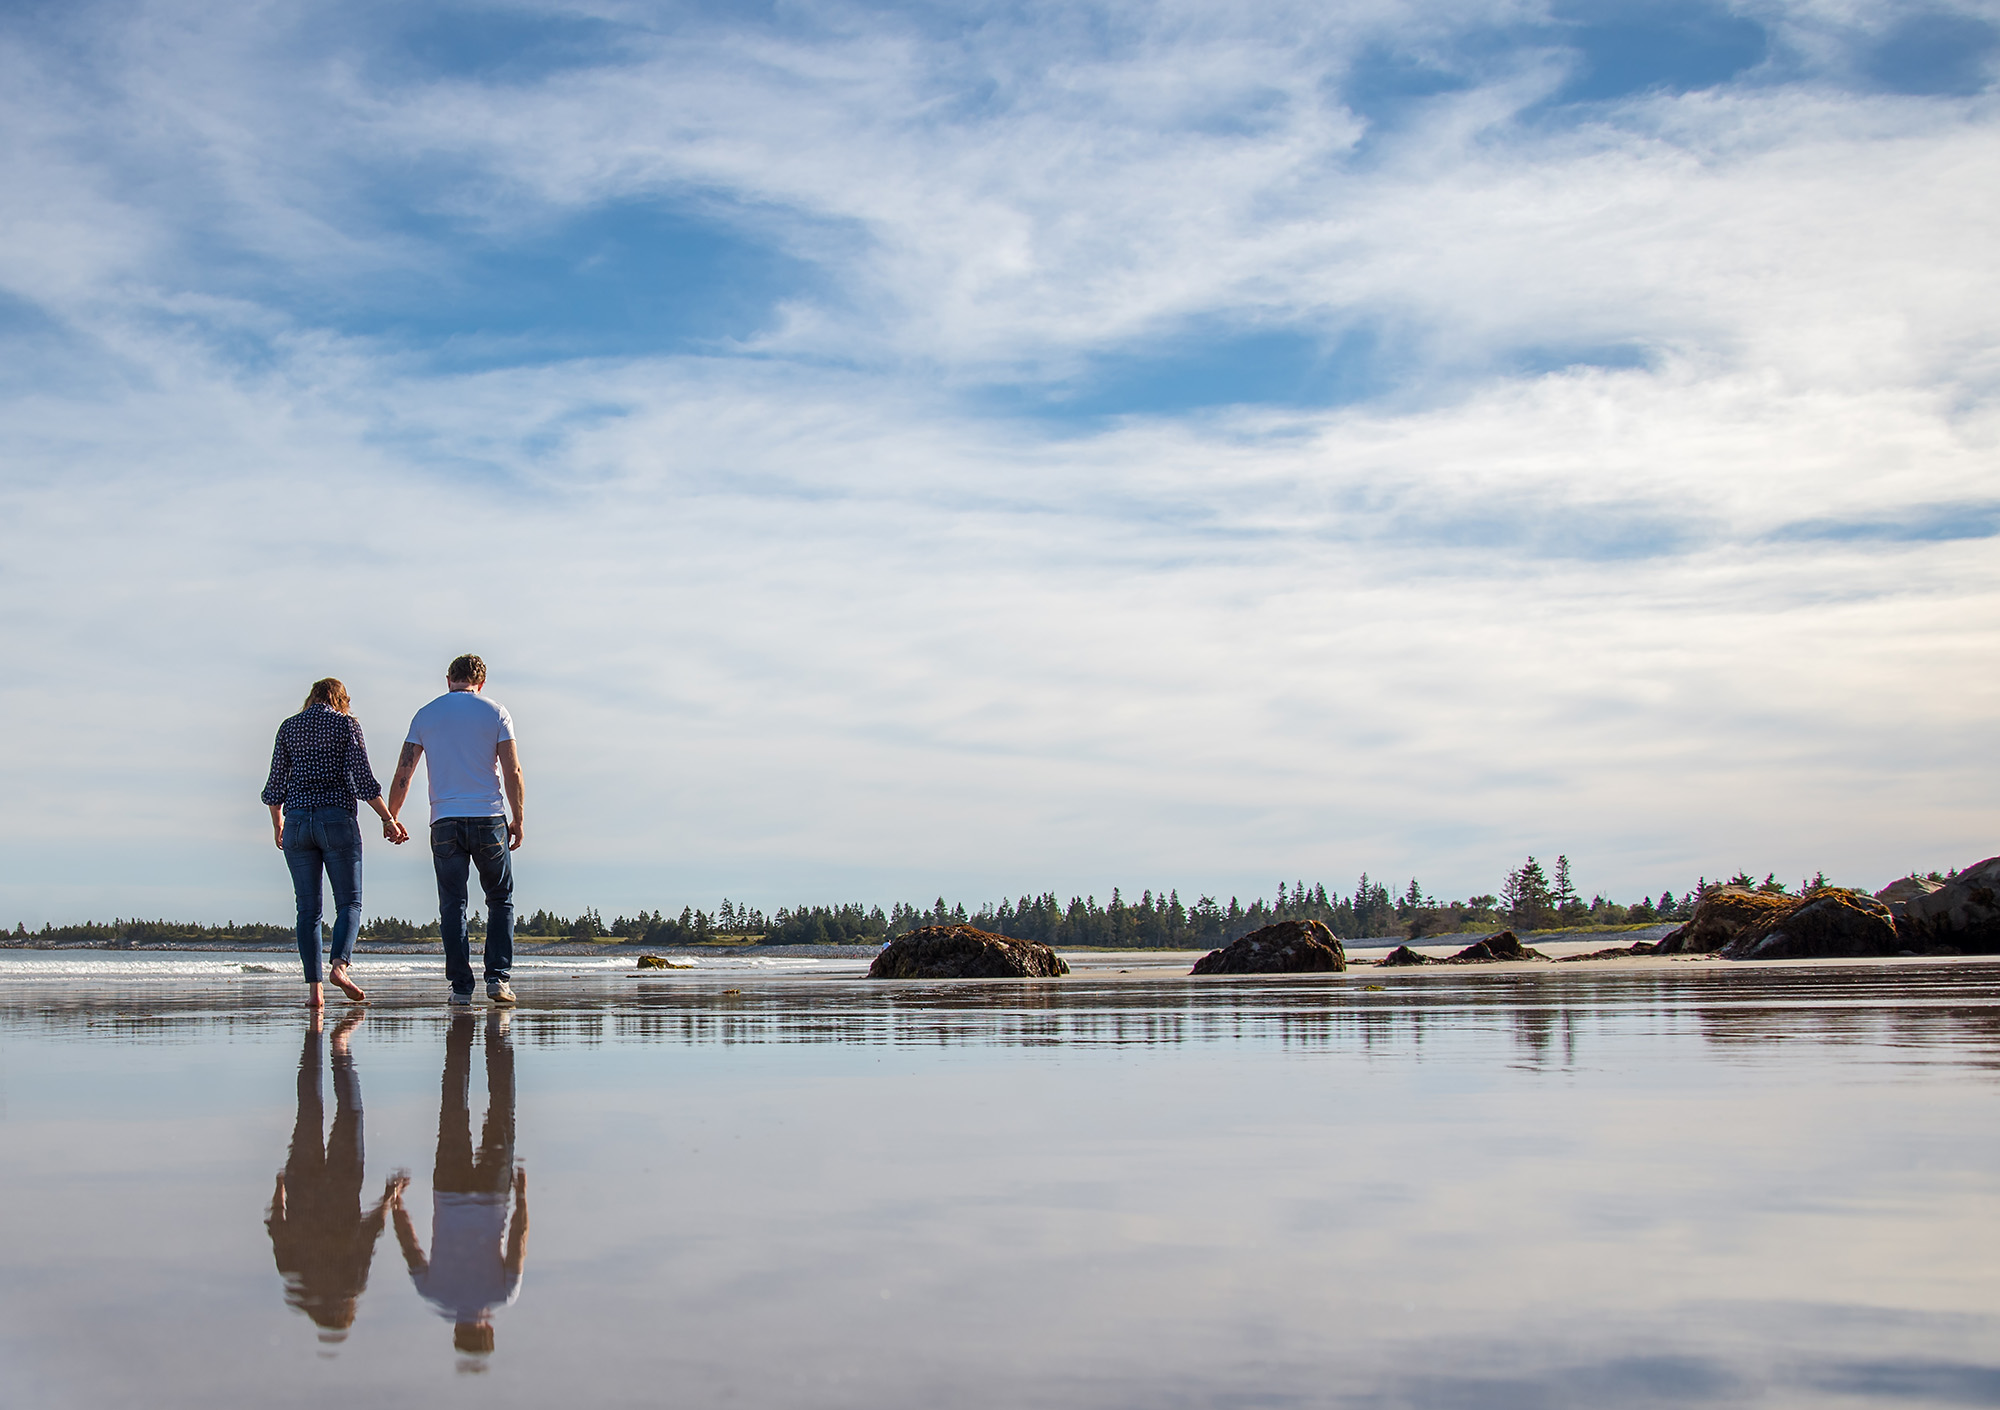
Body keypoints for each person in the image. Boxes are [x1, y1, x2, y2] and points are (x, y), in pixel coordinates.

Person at [262, 678, 408, 1007]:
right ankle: (339, 967)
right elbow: (363, 781)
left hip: (297, 822)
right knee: (349, 903)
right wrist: (387, 819)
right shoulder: (346, 725)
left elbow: (275, 785)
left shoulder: (288, 727)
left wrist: (278, 823)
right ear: (342, 700)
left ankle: (315, 993)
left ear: (311, 698)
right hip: (337, 819)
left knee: (307, 909)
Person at [392, 1010, 529, 1363]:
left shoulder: (503, 1295)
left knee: (502, 1111)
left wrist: (522, 1195)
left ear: (489, 1329)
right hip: (449, 1192)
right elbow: (409, 1244)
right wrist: (396, 1204)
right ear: (457, 1330)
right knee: (452, 1109)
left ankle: (498, 1040)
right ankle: (461, 1041)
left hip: (492, 1195)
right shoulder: (433, 1294)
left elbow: (518, 1238)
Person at [389, 654, 524, 1007]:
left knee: (453, 904)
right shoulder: (496, 712)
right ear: (481, 683)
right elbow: (512, 770)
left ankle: (462, 987)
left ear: (448, 679)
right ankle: (497, 979)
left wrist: (392, 816)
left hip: (445, 819)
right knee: (500, 899)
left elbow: (405, 770)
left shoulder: (426, 714)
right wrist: (518, 818)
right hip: (489, 818)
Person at [266, 1007, 402, 1347]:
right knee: (310, 1109)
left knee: (349, 1112)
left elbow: (369, 1233)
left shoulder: (349, 1281)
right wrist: (281, 1187)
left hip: (343, 1183)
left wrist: (389, 1197)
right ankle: (318, 1045)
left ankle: (338, 1049)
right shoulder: (295, 1275)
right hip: (304, 1183)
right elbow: (277, 1225)